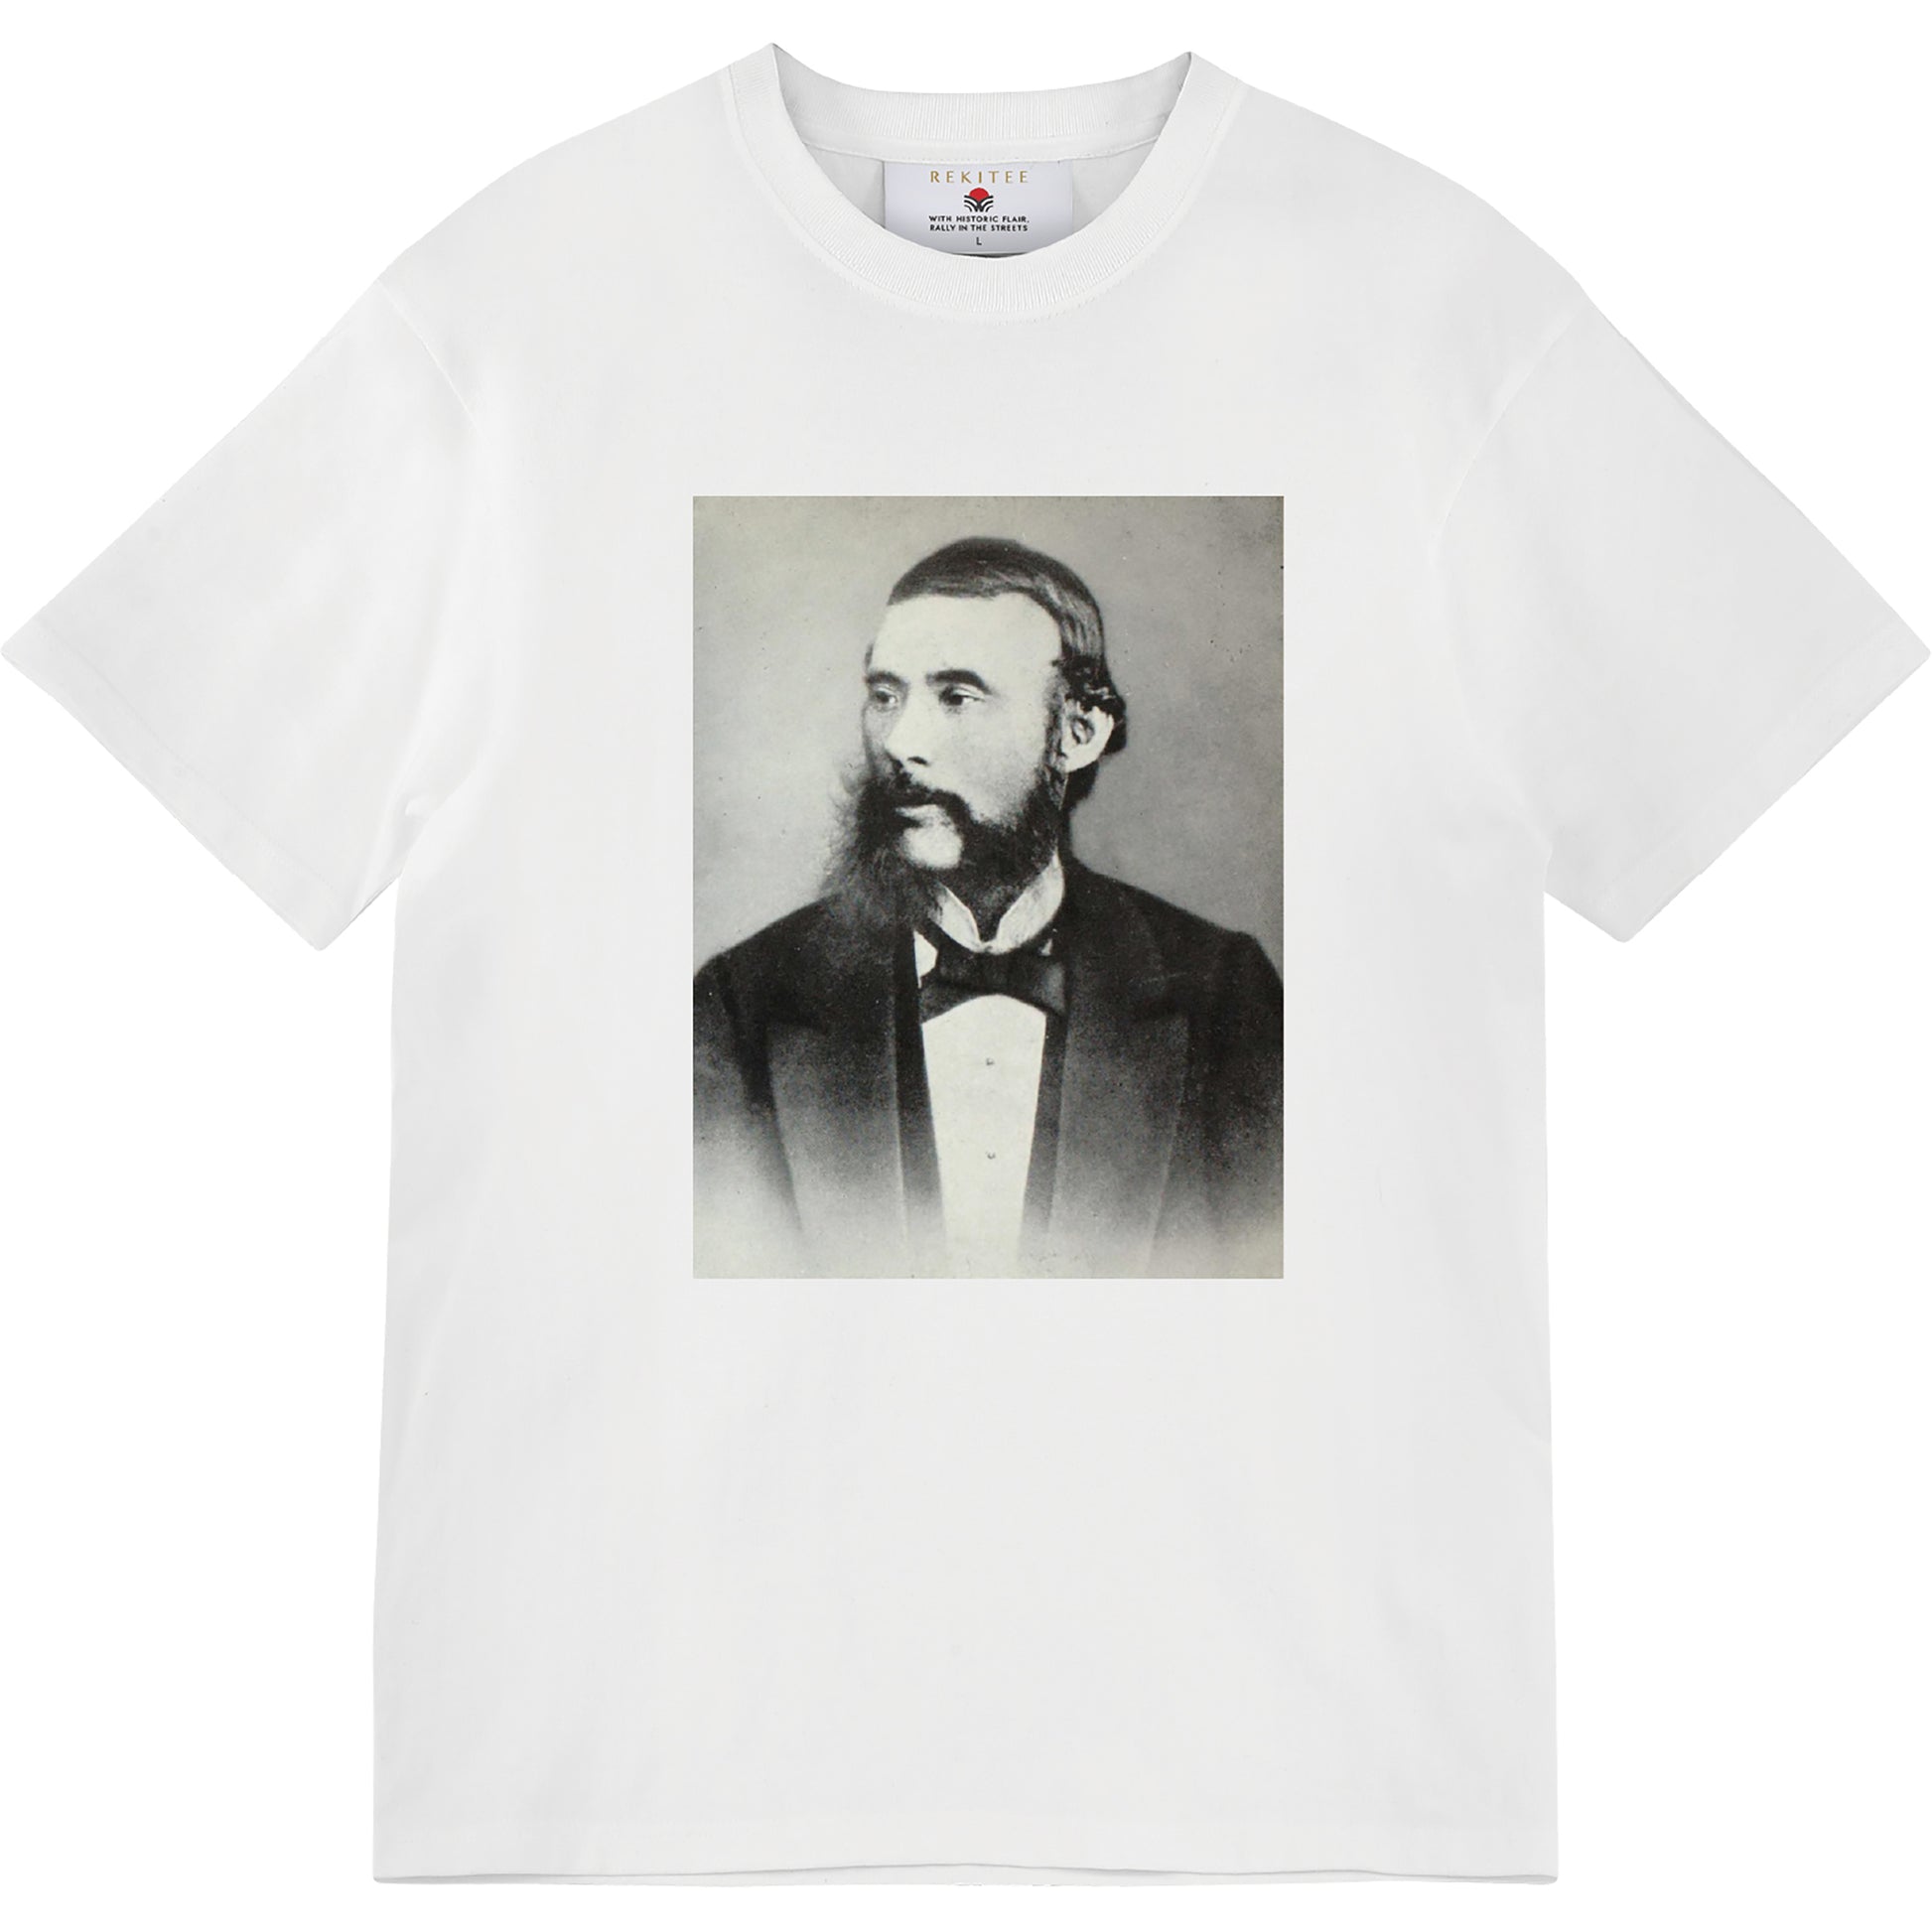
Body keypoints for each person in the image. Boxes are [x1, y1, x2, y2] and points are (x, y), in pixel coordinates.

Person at [694, 535, 1283, 1277]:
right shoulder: (741, 1005)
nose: (901, 742)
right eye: (886, 696)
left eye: (958, 697)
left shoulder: (1223, 997)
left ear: (1078, 733)